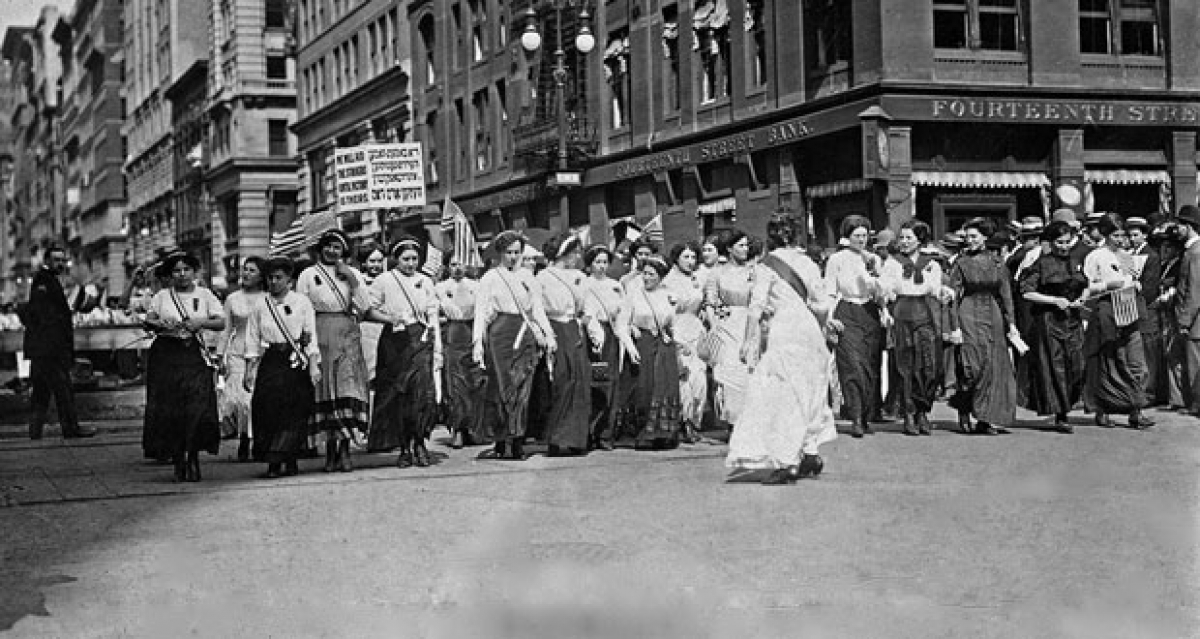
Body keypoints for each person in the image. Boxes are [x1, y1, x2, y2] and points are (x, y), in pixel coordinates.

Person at [726, 219, 840, 485]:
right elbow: (822, 305)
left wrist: (748, 340)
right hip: (809, 329)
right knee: (809, 390)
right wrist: (821, 330)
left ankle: (787, 461)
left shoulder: (766, 266)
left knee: (784, 394)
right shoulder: (808, 263)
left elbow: (756, 306)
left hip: (785, 330)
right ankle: (809, 452)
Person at [142, 251, 225, 481]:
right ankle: (178, 459)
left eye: (186, 269)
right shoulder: (162, 296)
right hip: (166, 355)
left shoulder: (205, 294)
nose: (182, 274)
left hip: (193, 353)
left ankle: (193, 456)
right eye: (176, 271)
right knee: (171, 408)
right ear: (170, 275)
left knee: (196, 406)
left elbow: (220, 321)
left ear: (194, 272)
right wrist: (160, 323)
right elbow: (148, 321)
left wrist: (200, 322)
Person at [473, 231, 556, 460]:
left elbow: (537, 309)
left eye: (517, 252)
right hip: (500, 333)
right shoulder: (490, 278)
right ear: (500, 253)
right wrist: (478, 342)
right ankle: (501, 439)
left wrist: (548, 334)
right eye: (509, 252)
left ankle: (518, 439)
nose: (513, 257)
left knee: (523, 387)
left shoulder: (528, 277)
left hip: (524, 332)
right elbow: (481, 312)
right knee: (502, 387)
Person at [296, 229, 372, 470]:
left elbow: (364, 305)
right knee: (326, 389)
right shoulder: (308, 275)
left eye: (337, 247)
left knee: (347, 387)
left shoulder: (352, 273)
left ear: (344, 250)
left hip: (347, 332)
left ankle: (345, 449)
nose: (331, 251)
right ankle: (330, 450)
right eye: (327, 246)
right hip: (320, 330)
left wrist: (350, 277)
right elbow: (301, 307)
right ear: (320, 249)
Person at [365, 236, 443, 468]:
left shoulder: (425, 281)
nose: (410, 264)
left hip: (420, 339)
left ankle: (420, 441)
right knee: (399, 395)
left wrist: (436, 342)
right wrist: (390, 318)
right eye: (405, 259)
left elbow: (432, 313)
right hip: (395, 342)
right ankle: (404, 447)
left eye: (414, 259)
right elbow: (368, 310)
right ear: (396, 259)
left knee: (422, 393)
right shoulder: (384, 280)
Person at [243, 257, 321, 478]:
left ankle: (290, 456)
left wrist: (313, 365)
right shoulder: (261, 304)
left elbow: (309, 334)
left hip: (295, 359)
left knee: (295, 409)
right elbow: (252, 337)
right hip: (271, 360)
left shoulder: (302, 302)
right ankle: (273, 461)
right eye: (270, 278)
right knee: (268, 408)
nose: (274, 282)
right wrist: (249, 369)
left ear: (290, 280)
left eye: (279, 277)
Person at [1082, 213, 1154, 429]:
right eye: (1116, 235)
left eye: (1123, 235)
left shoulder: (1128, 256)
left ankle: (1136, 410)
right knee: (1110, 360)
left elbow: (1134, 279)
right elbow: (1087, 288)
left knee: (1136, 362)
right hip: (1107, 310)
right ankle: (1103, 409)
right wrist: (1108, 285)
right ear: (1105, 235)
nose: (1121, 240)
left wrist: (1136, 284)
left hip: (1130, 308)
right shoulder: (1095, 256)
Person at [948, 217, 1017, 435]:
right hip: (968, 312)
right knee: (971, 364)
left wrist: (1011, 323)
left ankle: (985, 418)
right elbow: (952, 296)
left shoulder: (997, 263)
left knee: (992, 365)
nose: (970, 241)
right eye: (967, 237)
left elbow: (1006, 295)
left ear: (985, 237)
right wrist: (954, 325)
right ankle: (964, 411)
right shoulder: (960, 263)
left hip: (993, 314)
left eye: (974, 236)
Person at [1020, 221, 1088, 433]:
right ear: (1050, 242)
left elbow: (1085, 284)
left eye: (1068, 242)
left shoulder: (1076, 261)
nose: (1064, 246)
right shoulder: (1041, 264)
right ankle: (1061, 414)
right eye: (1060, 242)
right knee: (1056, 367)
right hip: (1049, 321)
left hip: (1073, 320)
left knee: (1078, 366)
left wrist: (1082, 298)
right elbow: (1026, 292)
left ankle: (1069, 403)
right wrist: (1053, 300)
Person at [823, 216, 887, 438]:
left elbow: (881, 293)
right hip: (847, 311)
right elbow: (830, 290)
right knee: (852, 364)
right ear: (847, 237)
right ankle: (856, 416)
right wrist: (829, 318)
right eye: (856, 235)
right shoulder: (837, 260)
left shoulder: (874, 259)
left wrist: (884, 308)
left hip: (869, 312)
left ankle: (867, 414)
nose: (861, 240)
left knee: (870, 364)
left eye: (864, 235)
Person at [21, 246, 93, 440]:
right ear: (47, 261)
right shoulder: (44, 281)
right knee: (63, 389)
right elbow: (45, 316)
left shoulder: (48, 280)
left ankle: (35, 431)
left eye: (63, 260)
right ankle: (71, 429)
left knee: (42, 391)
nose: (61, 264)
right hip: (49, 349)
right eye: (56, 260)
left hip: (44, 349)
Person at [880, 220, 945, 436]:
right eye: (902, 237)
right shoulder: (892, 264)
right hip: (902, 312)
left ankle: (922, 411)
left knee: (927, 365)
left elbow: (936, 289)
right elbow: (885, 289)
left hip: (924, 312)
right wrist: (885, 305)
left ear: (920, 240)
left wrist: (945, 293)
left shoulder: (931, 264)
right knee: (905, 365)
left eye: (909, 237)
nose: (905, 242)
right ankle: (908, 412)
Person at [535, 232, 592, 455]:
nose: (578, 257)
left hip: (573, 329)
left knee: (580, 380)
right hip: (555, 328)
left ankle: (576, 439)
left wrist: (587, 324)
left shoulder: (580, 277)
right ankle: (556, 438)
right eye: (574, 252)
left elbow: (586, 307)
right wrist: (546, 334)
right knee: (560, 381)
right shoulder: (543, 277)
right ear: (563, 254)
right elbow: (538, 308)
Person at [581, 244, 639, 451]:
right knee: (593, 383)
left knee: (611, 383)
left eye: (605, 262)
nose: (601, 266)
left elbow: (623, 312)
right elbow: (584, 312)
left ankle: (606, 433)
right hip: (591, 336)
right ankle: (589, 432)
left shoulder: (615, 286)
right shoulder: (584, 284)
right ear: (589, 264)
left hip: (611, 334)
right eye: (597, 262)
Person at [626, 256, 682, 449]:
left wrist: (678, 342)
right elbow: (624, 321)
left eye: (651, 274)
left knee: (666, 386)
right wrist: (631, 336)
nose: (646, 278)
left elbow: (673, 322)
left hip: (664, 344)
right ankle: (645, 433)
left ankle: (665, 434)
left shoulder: (669, 295)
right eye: (645, 273)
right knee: (646, 386)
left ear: (660, 276)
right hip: (644, 343)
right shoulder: (634, 294)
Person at [704, 230, 757, 428]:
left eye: (746, 245)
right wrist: (715, 325)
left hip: (749, 323)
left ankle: (749, 421)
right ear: (729, 248)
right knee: (729, 370)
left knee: (748, 370)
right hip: (726, 324)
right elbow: (710, 302)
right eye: (740, 245)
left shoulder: (753, 272)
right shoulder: (717, 273)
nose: (745, 249)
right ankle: (732, 420)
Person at [437, 251, 488, 449]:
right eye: (453, 264)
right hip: (453, 334)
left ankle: (474, 429)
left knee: (475, 382)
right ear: (447, 267)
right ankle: (457, 429)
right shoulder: (441, 287)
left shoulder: (476, 286)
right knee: (456, 383)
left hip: (472, 332)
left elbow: (482, 311)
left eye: (461, 264)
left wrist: (479, 339)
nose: (457, 268)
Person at [218, 256, 266, 461]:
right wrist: (220, 355)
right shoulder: (232, 299)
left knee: (256, 399)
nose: (246, 273)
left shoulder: (267, 298)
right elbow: (225, 329)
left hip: (262, 352)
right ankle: (244, 437)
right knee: (241, 400)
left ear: (261, 275)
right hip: (237, 352)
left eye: (252, 270)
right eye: (245, 269)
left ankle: (259, 439)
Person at [662, 241, 707, 443]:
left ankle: (696, 420)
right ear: (676, 259)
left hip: (696, 328)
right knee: (685, 377)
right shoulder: (668, 281)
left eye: (693, 257)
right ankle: (684, 421)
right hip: (678, 328)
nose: (690, 261)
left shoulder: (696, 279)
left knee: (700, 377)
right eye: (686, 257)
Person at [1126, 216, 1163, 406]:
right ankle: (1139, 390)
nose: (1132, 239)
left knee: (1148, 351)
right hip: (1134, 307)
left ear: (1144, 235)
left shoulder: (1151, 256)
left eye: (1136, 235)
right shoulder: (1130, 254)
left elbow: (1149, 287)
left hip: (1146, 309)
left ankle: (1149, 392)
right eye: (1130, 235)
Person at [359, 244, 387, 384]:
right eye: (372, 261)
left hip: (384, 328)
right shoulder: (359, 281)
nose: (376, 265)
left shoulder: (388, 280)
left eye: (379, 261)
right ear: (364, 262)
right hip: (365, 330)